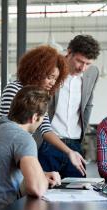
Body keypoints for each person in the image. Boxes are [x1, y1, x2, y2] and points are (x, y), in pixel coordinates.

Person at [0, 45, 88, 176]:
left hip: (24, 152)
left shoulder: (41, 96)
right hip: (11, 153)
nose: (53, 82)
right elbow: (7, 128)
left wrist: (69, 152)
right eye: (49, 77)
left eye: (55, 78)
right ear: (36, 71)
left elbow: (46, 129)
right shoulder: (14, 89)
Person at [38, 35, 101, 178]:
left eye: (88, 63)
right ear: (69, 52)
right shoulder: (51, 69)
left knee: (78, 193)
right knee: (45, 192)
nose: (83, 68)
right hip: (48, 143)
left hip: (75, 144)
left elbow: (88, 103)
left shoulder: (93, 73)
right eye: (79, 61)